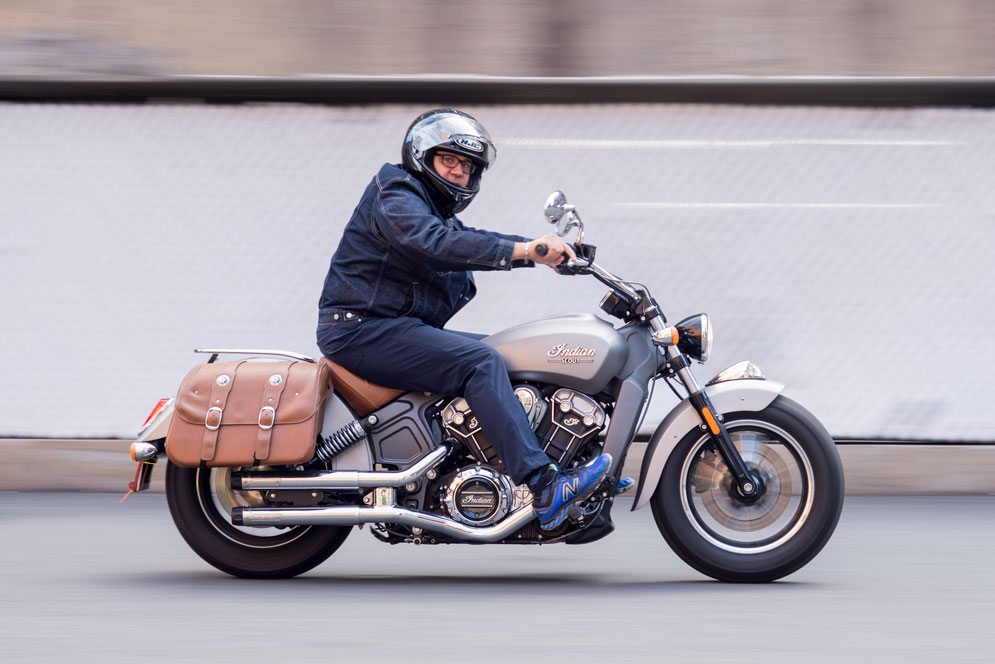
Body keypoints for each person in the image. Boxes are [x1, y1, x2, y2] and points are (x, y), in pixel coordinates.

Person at [317, 108, 611, 530]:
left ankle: (570, 487)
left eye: (467, 166)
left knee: (510, 352)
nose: (457, 172)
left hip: (393, 328)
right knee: (480, 362)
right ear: (423, 157)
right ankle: (544, 487)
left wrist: (540, 256)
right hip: (361, 328)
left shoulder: (434, 212)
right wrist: (529, 250)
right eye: (449, 160)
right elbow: (436, 244)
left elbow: (466, 240)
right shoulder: (396, 191)